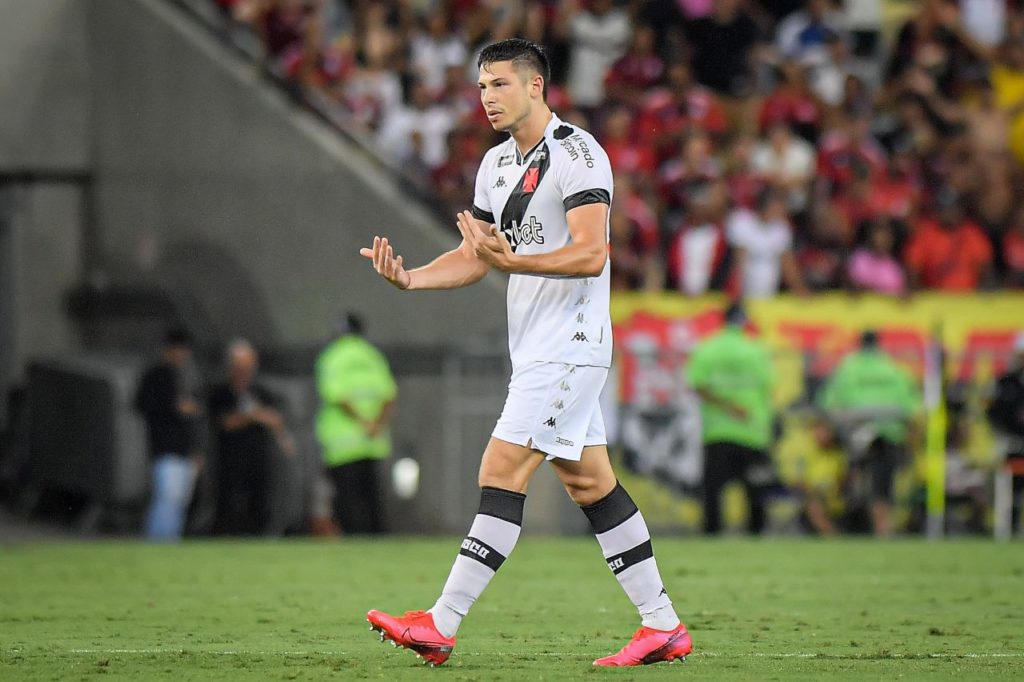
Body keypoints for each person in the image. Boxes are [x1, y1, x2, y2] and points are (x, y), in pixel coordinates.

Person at [360, 39, 691, 668]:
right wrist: (413, 279)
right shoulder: (494, 165)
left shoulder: (578, 152)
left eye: (500, 84)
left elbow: (592, 252)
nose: (487, 97)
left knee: (501, 468)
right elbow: (475, 257)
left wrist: (519, 261)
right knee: (591, 483)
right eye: (482, 86)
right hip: (538, 348)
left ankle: (441, 622)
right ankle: (663, 626)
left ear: (536, 86)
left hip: (570, 345)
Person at [818, 330, 921, 536]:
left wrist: (828, 428)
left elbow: (829, 403)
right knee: (882, 484)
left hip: (856, 432)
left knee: (854, 477)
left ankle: (853, 522)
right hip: (889, 432)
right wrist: (911, 437)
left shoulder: (848, 368)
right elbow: (910, 408)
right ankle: (882, 529)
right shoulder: (895, 369)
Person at [687, 302, 776, 535]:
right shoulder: (756, 350)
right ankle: (757, 534)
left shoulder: (707, 348)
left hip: (718, 430)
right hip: (752, 430)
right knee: (756, 489)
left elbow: (698, 385)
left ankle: (712, 534)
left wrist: (726, 406)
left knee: (713, 490)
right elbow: (768, 387)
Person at [315, 312, 397, 535]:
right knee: (372, 498)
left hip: (343, 445)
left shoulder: (333, 356)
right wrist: (375, 424)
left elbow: (335, 395)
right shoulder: (372, 356)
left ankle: (353, 539)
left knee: (347, 499)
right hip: (373, 442)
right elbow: (389, 395)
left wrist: (362, 422)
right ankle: (378, 539)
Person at [208, 339, 291, 536]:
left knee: (260, 502)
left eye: (248, 365)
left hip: (258, 457)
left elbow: (275, 419)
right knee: (228, 504)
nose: (244, 370)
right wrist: (253, 415)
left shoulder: (261, 392)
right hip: (229, 458)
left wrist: (260, 418)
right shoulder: (220, 393)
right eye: (240, 365)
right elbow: (226, 422)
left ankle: (259, 538)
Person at [134, 326, 204, 541]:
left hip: (184, 448)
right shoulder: (156, 375)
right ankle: (157, 541)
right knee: (166, 497)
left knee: (179, 500)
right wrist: (174, 406)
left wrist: (196, 449)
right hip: (164, 446)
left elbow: (194, 419)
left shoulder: (185, 376)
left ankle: (170, 541)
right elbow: (141, 404)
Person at [987, 331, 1024, 534]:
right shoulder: (1006, 383)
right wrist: (1003, 437)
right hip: (1013, 445)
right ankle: (1008, 529)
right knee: (1010, 492)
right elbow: (993, 413)